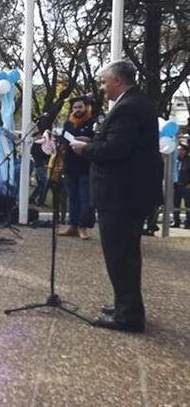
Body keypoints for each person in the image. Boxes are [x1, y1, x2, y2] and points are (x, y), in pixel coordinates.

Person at [70, 60, 160, 333]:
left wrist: (84, 150)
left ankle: (128, 316)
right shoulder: (133, 103)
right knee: (125, 254)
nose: (102, 87)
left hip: (122, 196)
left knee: (120, 255)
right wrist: (93, 143)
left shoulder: (129, 108)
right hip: (126, 194)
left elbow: (115, 150)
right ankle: (127, 304)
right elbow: (116, 144)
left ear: (118, 81)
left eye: (104, 81)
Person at [61, 97, 96, 240]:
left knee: (84, 198)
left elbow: (98, 141)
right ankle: (73, 225)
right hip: (69, 166)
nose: (77, 110)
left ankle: (83, 227)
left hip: (85, 167)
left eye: (80, 107)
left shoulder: (92, 124)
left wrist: (87, 141)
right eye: (75, 108)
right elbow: (63, 140)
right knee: (72, 198)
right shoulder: (69, 123)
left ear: (86, 108)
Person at [172, 144, 190, 228]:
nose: (180, 152)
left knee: (188, 205)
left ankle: (188, 223)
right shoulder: (177, 160)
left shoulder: (188, 160)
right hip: (177, 185)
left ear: (186, 151)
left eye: (182, 150)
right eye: (179, 150)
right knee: (175, 204)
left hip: (186, 186)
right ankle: (176, 221)